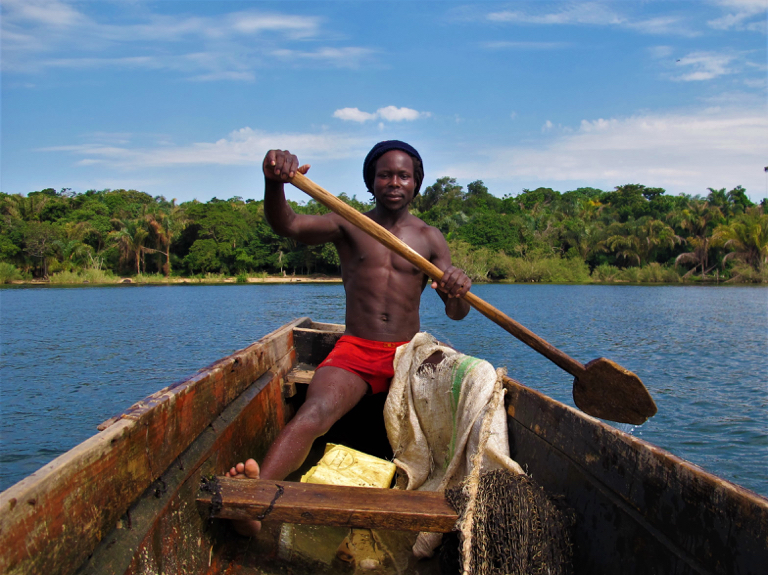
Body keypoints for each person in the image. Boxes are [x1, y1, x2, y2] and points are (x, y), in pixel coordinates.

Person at [227, 140, 471, 536]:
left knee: (454, 411)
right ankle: (254, 500)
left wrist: (458, 290)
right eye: (385, 175)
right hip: (357, 350)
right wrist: (274, 183)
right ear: (371, 183)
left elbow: (456, 313)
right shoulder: (349, 222)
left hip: (407, 355)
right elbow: (286, 224)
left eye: (403, 176)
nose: (394, 182)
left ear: (416, 184)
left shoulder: (430, 238)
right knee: (314, 412)